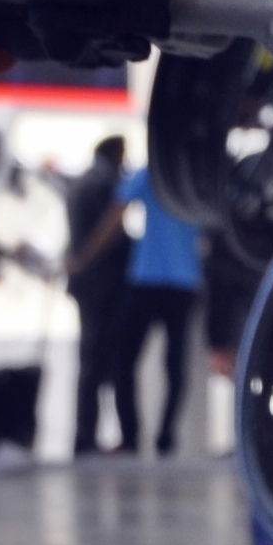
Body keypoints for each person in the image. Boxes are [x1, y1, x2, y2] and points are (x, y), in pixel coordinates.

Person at [116, 161, 205, 460]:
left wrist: (84, 258)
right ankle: (161, 436)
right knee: (173, 362)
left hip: (150, 277)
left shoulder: (152, 172)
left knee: (128, 359)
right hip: (183, 278)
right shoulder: (196, 174)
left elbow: (117, 211)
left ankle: (135, 436)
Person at [61, 134, 132, 458]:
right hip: (103, 284)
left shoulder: (81, 184)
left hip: (87, 283)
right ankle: (86, 436)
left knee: (91, 360)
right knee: (99, 360)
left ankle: (85, 434)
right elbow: (109, 232)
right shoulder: (104, 186)